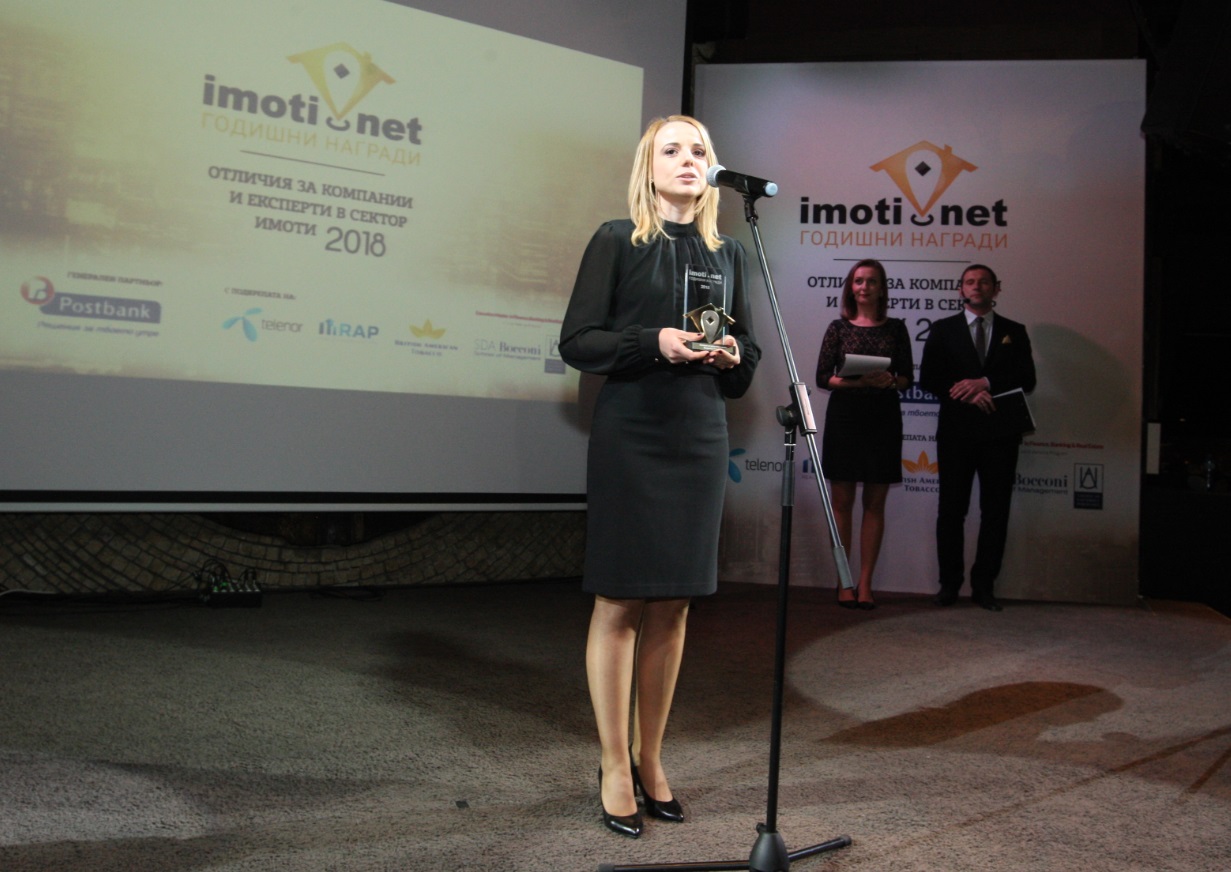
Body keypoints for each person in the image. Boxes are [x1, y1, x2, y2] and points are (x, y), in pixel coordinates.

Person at [559, 115, 760, 839]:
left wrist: (733, 354)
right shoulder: (617, 240)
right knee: (620, 600)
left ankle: (651, 758)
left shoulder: (729, 252)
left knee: (674, 604)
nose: (687, 159)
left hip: (700, 434)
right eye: (671, 150)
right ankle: (613, 763)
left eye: (698, 150)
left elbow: (748, 349)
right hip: (632, 434)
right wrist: (655, 342)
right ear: (648, 167)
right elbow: (578, 340)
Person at [918, 263, 1036, 611]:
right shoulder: (943, 329)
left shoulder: (1015, 331)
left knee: (995, 511)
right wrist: (967, 394)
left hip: (1000, 433)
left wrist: (986, 383)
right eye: (970, 282)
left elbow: (1027, 379)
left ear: (996, 289)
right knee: (951, 511)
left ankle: (984, 586)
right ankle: (949, 585)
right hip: (956, 433)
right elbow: (929, 379)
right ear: (961, 290)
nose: (977, 286)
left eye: (984, 282)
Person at [815, 259, 914, 609]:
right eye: (858, 281)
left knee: (874, 504)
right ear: (850, 287)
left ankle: (866, 583)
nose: (864, 287)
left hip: (883, 419)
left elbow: (907, 378)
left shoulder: (896, 329)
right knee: (841, 504)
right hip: (845, 418)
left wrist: (889, 380)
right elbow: (823, 376)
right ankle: (844, 581)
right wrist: (858, 382)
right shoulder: (838, 328)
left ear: (882, 288)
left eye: (872, 281)